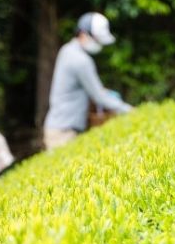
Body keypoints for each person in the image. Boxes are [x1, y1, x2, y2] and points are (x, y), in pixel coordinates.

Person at [43, 12, 133, 149]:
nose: (99, 45)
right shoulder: (81, 60)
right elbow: (99, 96)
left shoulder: (66, 50)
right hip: (64, 132)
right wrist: (128, 110)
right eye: (97, 40)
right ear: (84, 34)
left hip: (56, 126)